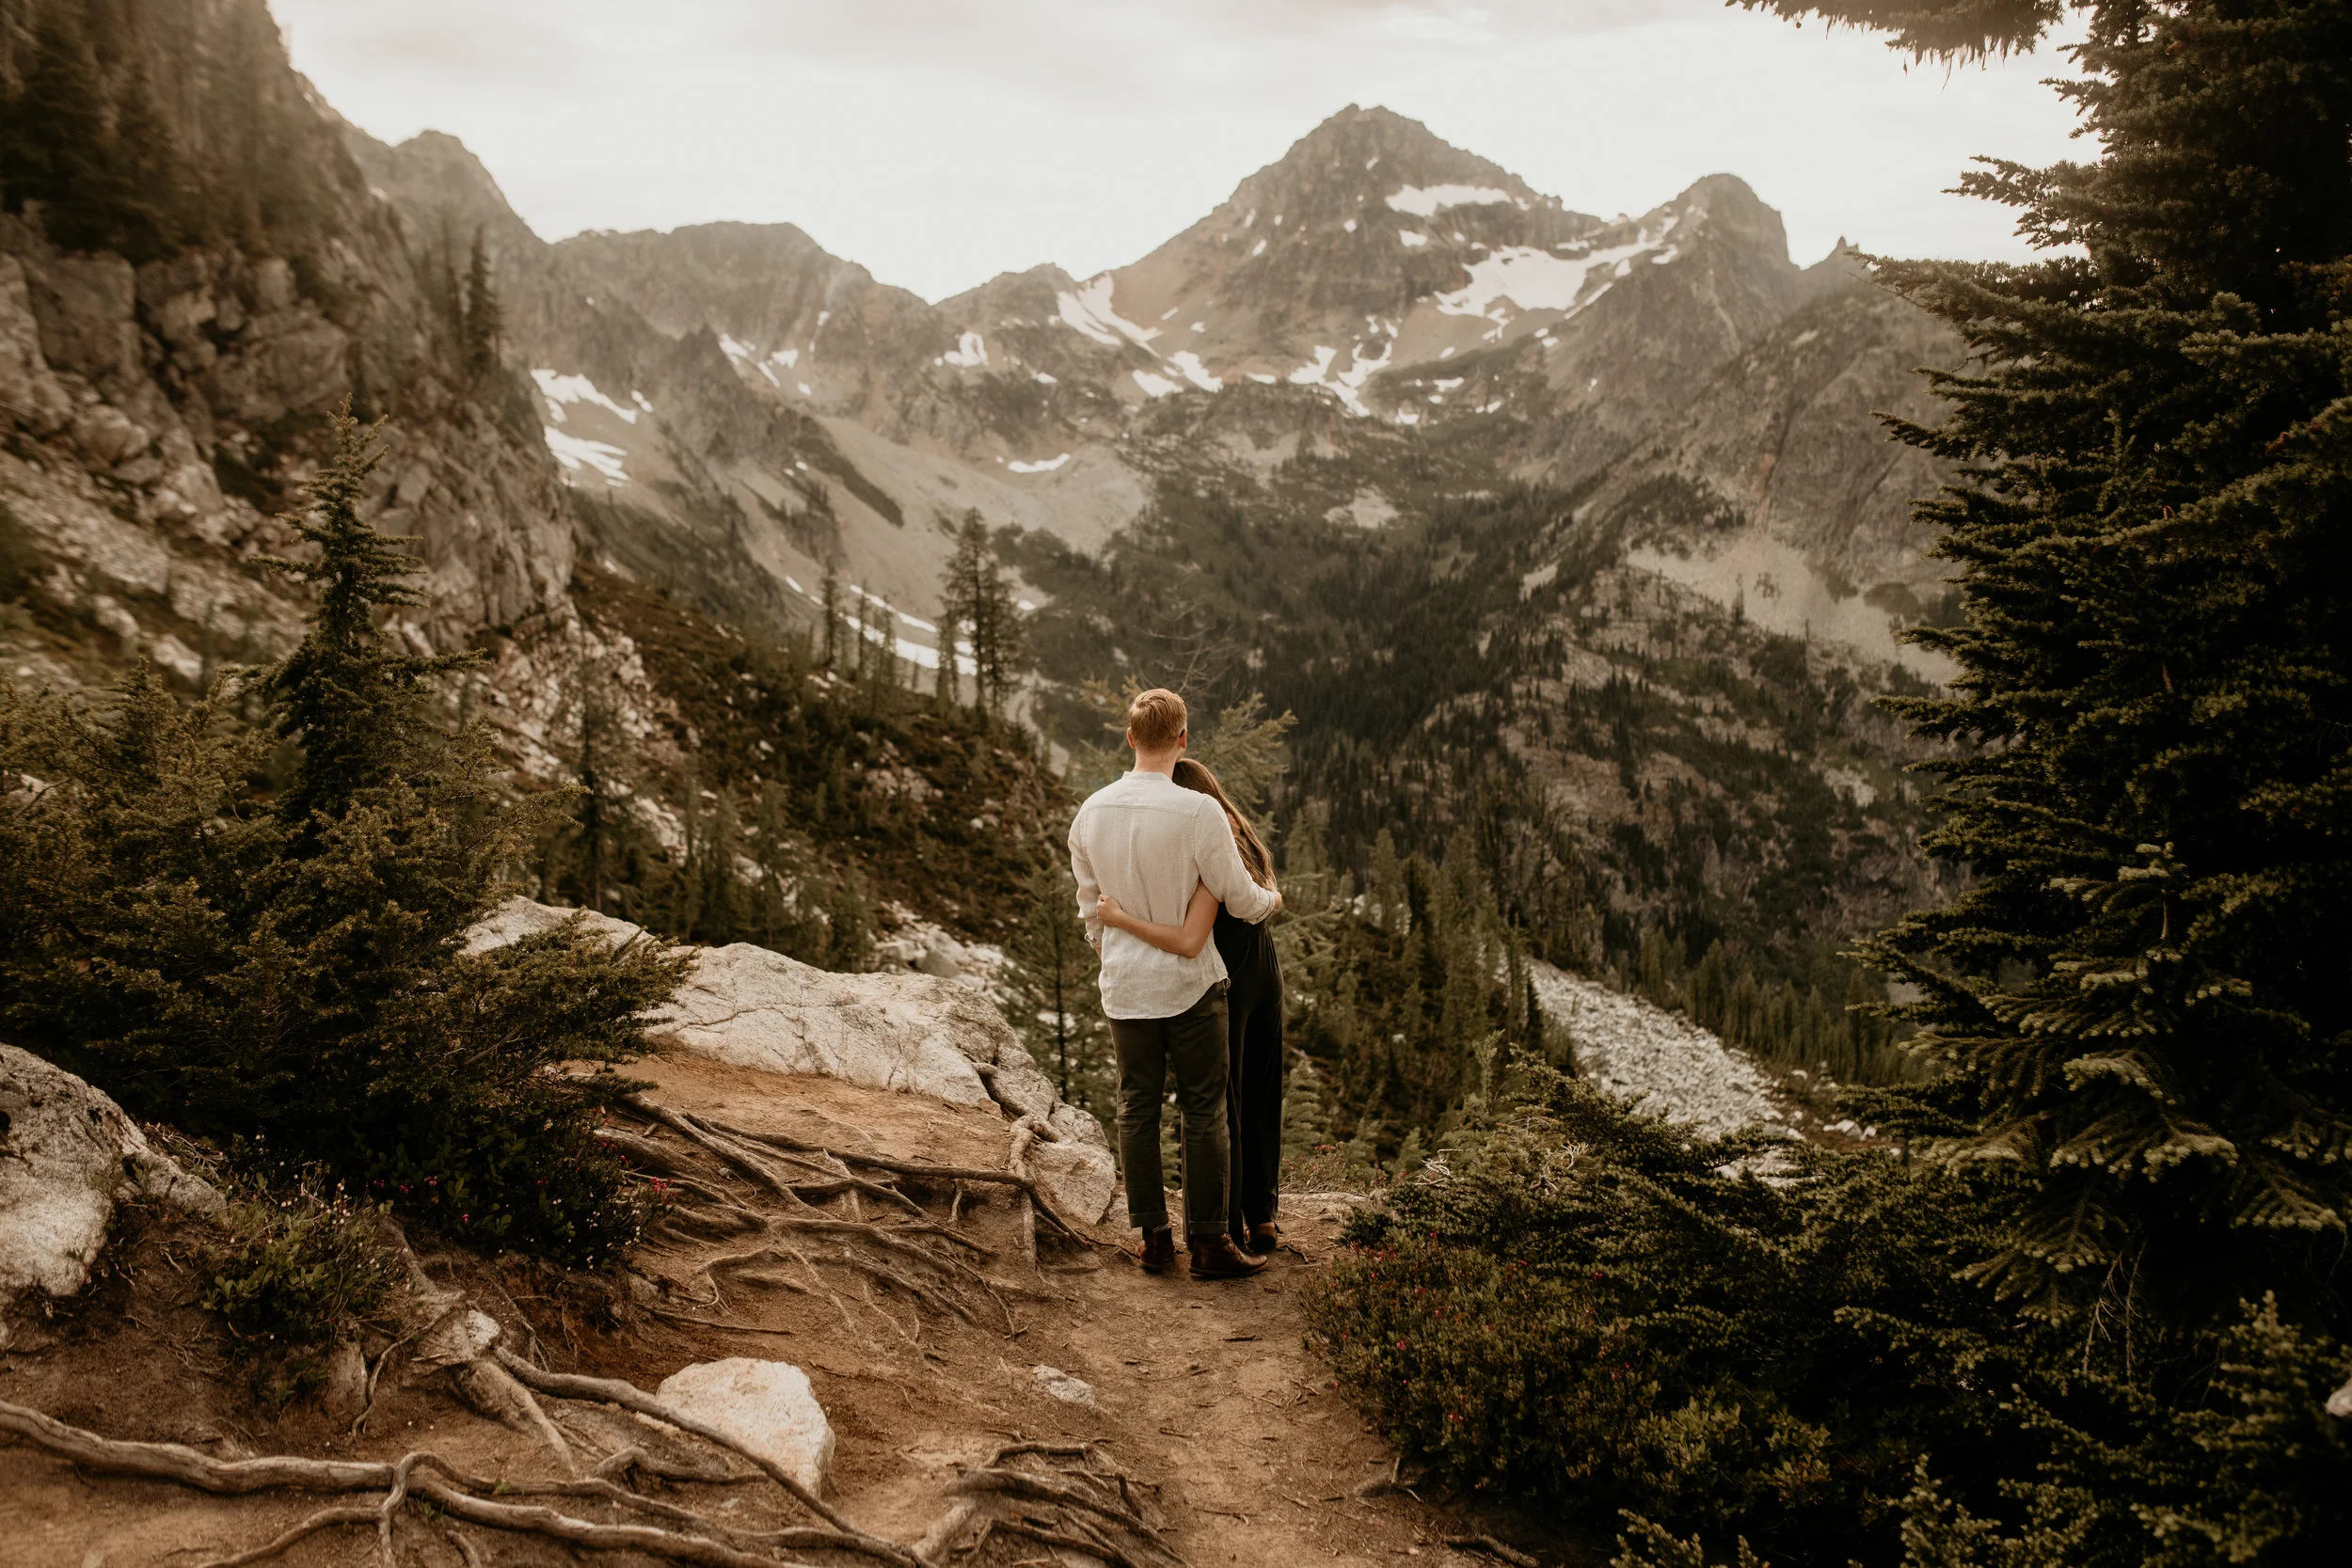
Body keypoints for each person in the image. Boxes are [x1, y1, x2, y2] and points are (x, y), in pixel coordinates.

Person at [1068, 689, 1280, 1279]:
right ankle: (1210, 1243)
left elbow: (1092, 912)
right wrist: (1274, 898)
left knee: (1136, 1106)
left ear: (1130, 738)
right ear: (1183, 739)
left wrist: (1120, 950)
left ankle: (1153, 1237)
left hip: (1126, 987)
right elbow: (1240, 898)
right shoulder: (1199, 812)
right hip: (1191, 984)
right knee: (1204, 1109)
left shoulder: (1090, 813)